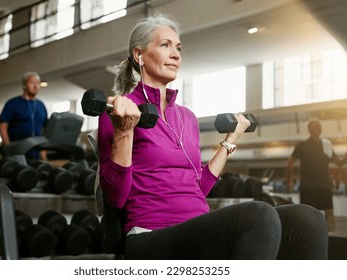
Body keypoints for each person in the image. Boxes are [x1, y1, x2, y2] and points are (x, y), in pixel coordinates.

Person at [98, 13, 328, 259]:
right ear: (139, 54)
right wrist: (124, 131)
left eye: (178, 48)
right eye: (165, 45)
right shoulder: (120, 110)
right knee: (258, 215)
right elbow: (116, 198)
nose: (176, 54)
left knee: (308, 218)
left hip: (199, 226)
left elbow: (199, 188)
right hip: (150, 234)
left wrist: (231, 140)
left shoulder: (186, 117)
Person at [287, 118, 346, 232]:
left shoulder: (327, 145)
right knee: (307, 214)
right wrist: (289, 180)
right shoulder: (302, 145)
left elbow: (339, 163)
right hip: (308, 187)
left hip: (324, 186)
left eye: (320, 126)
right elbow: (290, 162)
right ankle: (306, 238)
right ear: (309, 128)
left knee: (329, 212)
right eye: (316, 125)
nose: (320, 127)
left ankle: (331, 239)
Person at [0, 71, 48, 160]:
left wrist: (44, 155)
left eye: (38, 83)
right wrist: (8, 148)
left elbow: (45, 131)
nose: (35, 86)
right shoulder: (12, 103)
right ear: (24, 85)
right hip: (16, 153)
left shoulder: (41, 106)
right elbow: (3, 127)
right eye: (32, 82)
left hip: (35, 154)